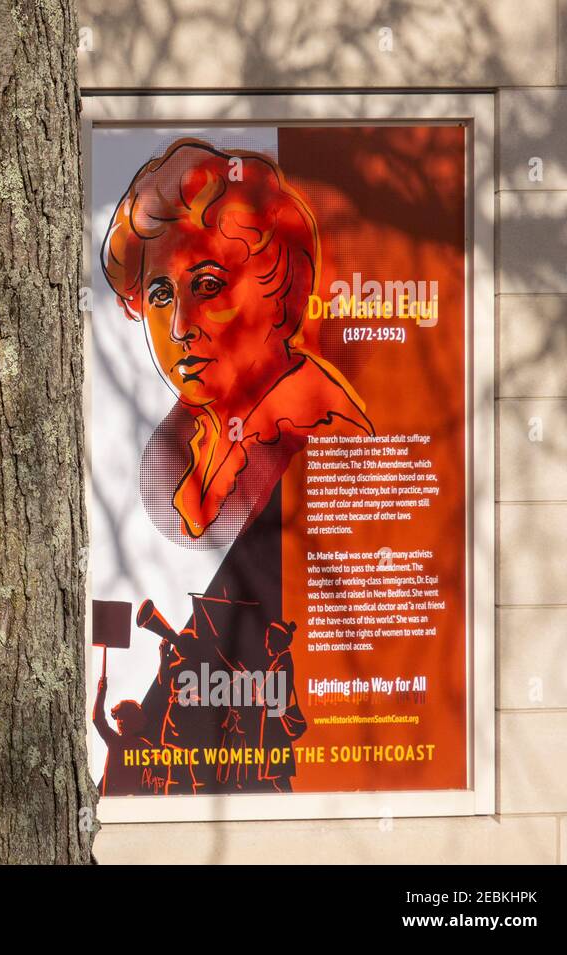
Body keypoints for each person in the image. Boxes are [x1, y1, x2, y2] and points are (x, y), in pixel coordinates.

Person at [102, 139, 374, 539]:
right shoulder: (205, 430)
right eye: (161, 294)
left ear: (282, 291)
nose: (179, 328)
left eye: (209, 286)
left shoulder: (321, 432)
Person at [259, 620, 306, 792]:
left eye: (268, 638)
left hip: (276, 726)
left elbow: (274, 696)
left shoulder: (283, 663)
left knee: (279, 777)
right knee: (277, 778)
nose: (266, 642)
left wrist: (260, 694)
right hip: (274, 723)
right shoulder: (281, 661)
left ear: (277, 639)